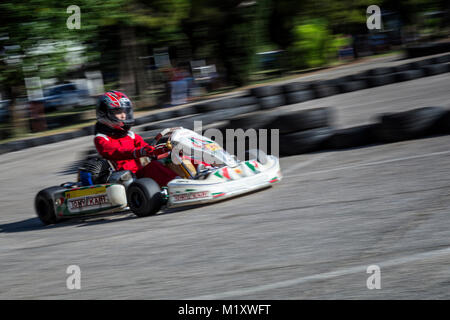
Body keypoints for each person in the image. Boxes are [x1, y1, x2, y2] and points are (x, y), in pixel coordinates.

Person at [94, 91, 178, 187]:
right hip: (124, 179)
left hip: (139, 175)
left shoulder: (131, 135)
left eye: (124, 111)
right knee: (152, 167)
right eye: (118, 112)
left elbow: (147, 149)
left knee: (172, 159)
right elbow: (116, 152)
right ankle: (176, 185)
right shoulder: (101, 139)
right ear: (105, 114)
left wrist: (163, 151)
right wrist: (139, 152)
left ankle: (192, 177)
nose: (123, 116)